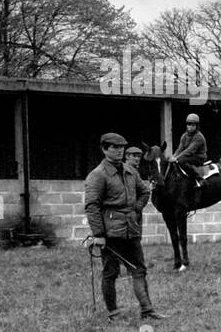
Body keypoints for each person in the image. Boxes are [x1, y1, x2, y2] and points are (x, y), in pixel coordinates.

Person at [85, 132, 164, 321]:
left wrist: (136, 209)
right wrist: (98, 234)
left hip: (132, 229)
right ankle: (113, 312)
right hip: (111, 232)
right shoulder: (97, 175)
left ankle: (147, 309)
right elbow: (92, 206)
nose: (119, 151)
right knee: (111, 272)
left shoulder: (130, 171)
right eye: (114, 147)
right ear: (105, 149)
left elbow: (144, 192)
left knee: (139, 270)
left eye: (121, 147)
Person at [170, 112, 208, 181]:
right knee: (174, 161)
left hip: (199, 157)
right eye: (189, 124)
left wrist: (176, 158)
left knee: (181, 160)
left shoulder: (199, 137)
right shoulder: (184, 136)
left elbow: (189, 151)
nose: (190, 127)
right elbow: (180, 149)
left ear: (197, 126)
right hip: (190, 156)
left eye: (193, 125)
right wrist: (173, 156)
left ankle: (198, 178)